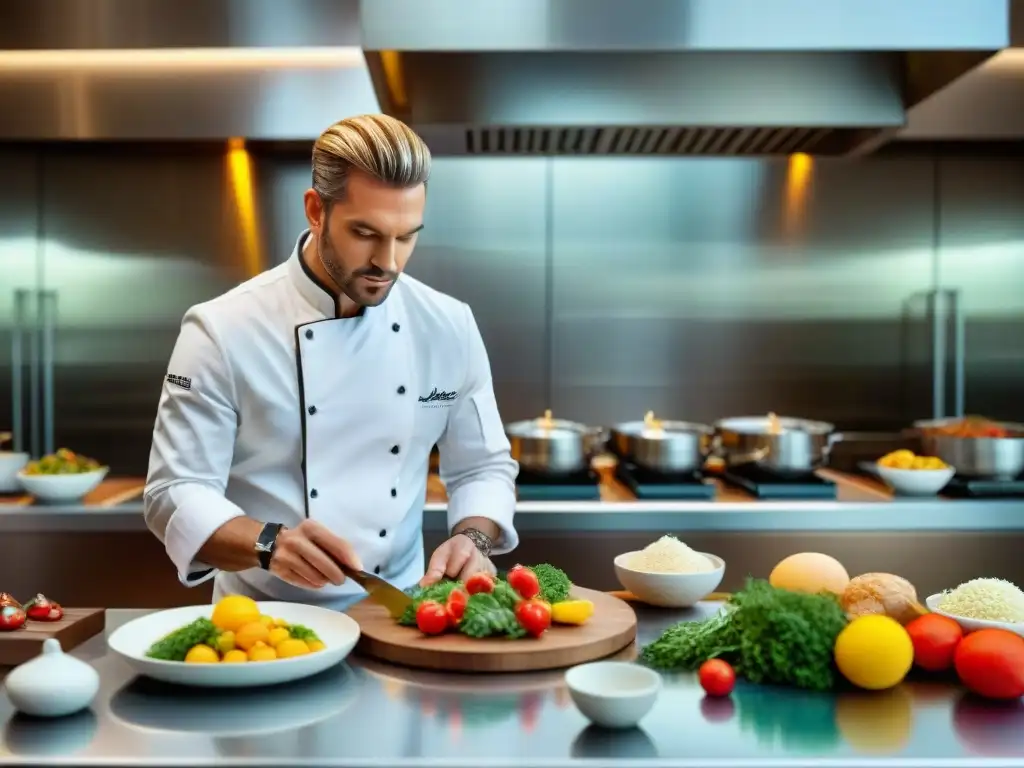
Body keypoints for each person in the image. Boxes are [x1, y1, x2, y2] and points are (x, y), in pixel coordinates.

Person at [143, 114, 519, 608]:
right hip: (265, 621)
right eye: (365, 232)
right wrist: (268, 543)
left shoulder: (448, 325)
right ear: (316, 210)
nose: (388, 261)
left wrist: (474, 540)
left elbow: (483, 468)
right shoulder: (221, 329)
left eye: (407, 235)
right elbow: (173, 492)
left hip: (404, 613)